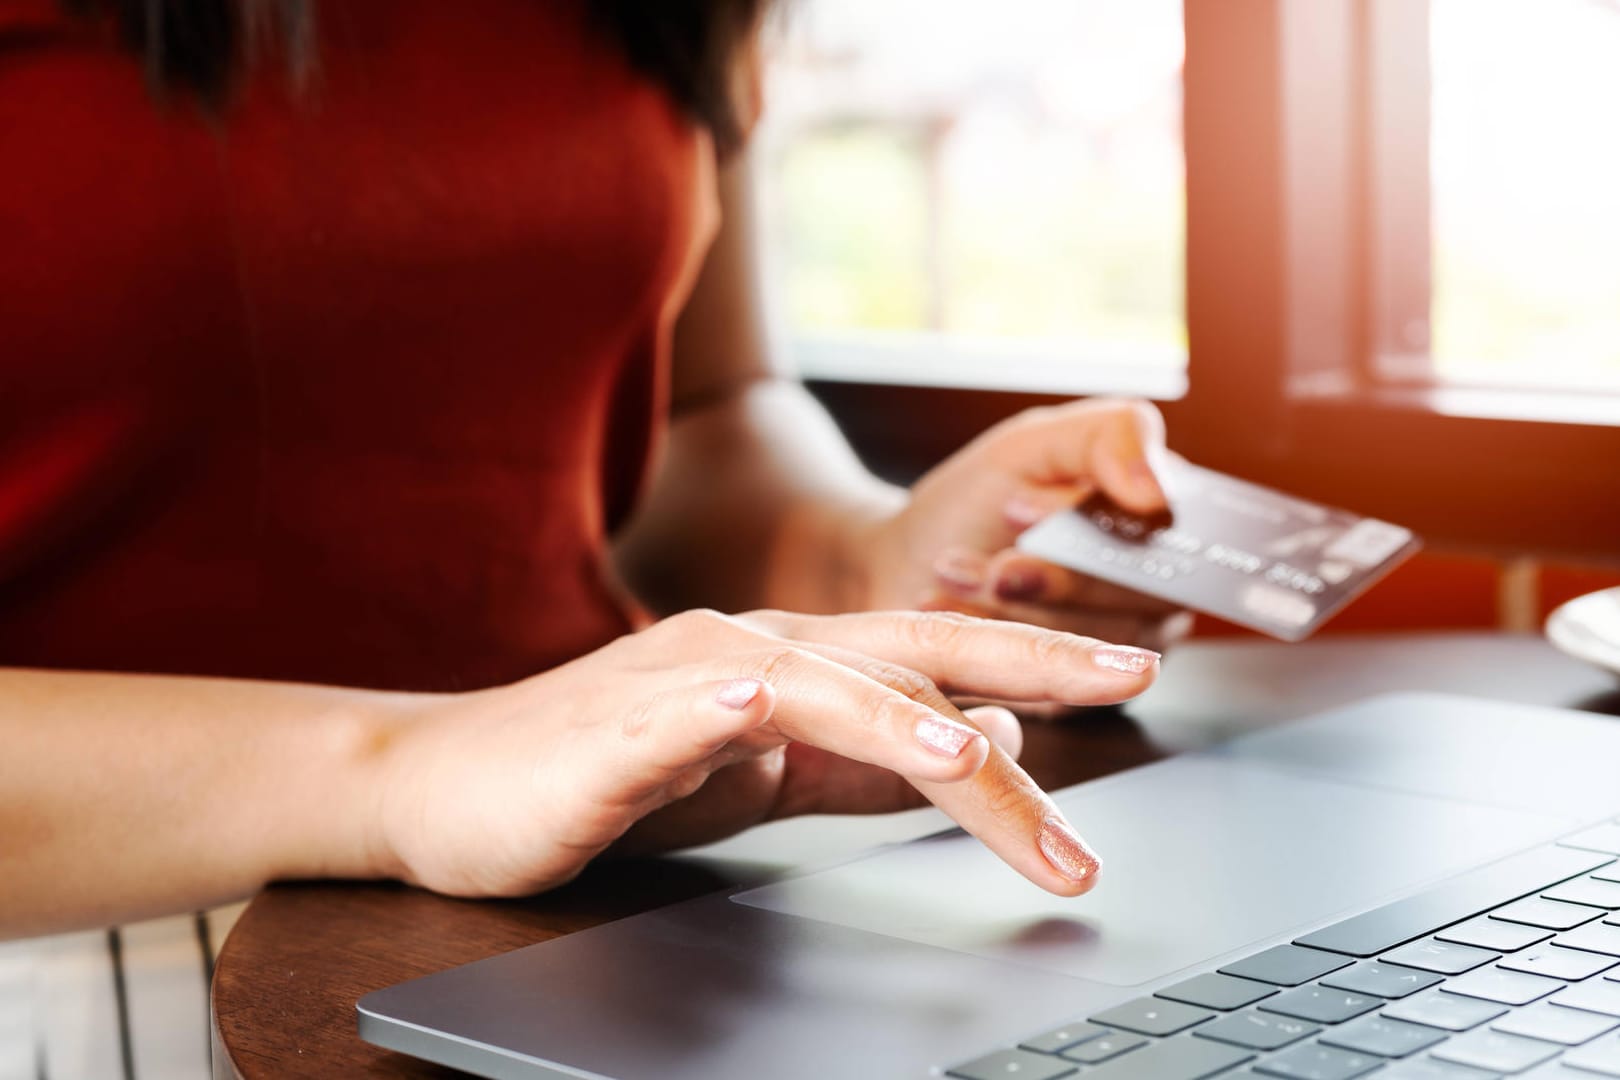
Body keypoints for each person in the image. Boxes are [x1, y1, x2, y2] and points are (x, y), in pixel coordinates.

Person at [0, 0, 1186, 948]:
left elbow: (699, 413)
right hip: (89, 951)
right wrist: (407, 767)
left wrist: (861, 556)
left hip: (597, 902)